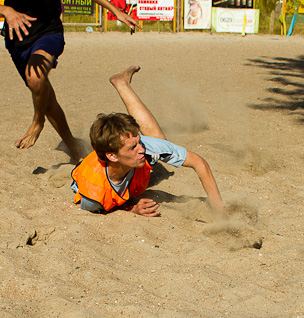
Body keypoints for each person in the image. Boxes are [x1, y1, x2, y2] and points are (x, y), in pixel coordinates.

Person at [0, 0, 139, 159]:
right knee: (46, 99)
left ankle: (38, 121)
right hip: (17, 39)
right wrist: (6, 11)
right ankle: (74, 149)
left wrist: (116, 12)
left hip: (48, 33)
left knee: (35, 79)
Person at [71, 66, 225, 217]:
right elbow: (101, 209)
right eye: (133, 147)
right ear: (112, 156)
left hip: (127, 170)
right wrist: (131, 209)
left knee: (158, 143)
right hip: (98, 181)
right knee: (157, 142)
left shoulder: (142, 147)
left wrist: (220, 212)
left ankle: (121, 84)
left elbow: (199, 162)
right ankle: (121, 83)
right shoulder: (94, 194)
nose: (142, 149)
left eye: (139, 141)